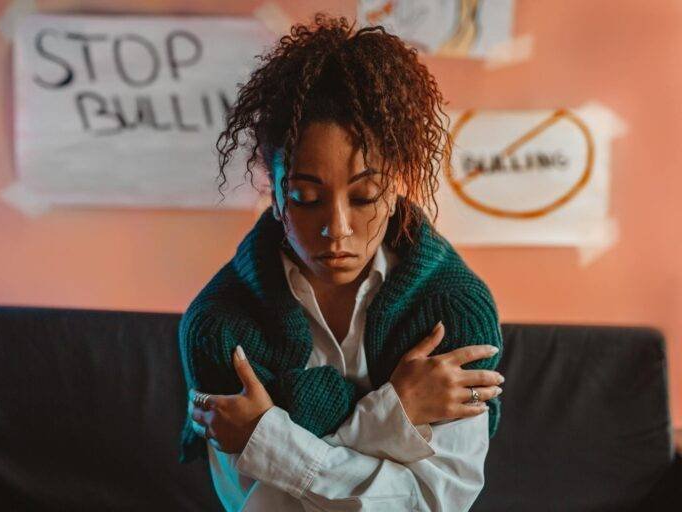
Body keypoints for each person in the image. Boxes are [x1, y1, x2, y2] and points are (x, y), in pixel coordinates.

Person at [178, 13, 505, 511]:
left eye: (365, 195)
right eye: (306, 198)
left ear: (396, 186)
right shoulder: (218, 326)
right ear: (273, 188)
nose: (337, 229)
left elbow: (436, 503)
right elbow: (259, 505)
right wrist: (393, 415)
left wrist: (271, 439)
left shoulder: (455, 311)